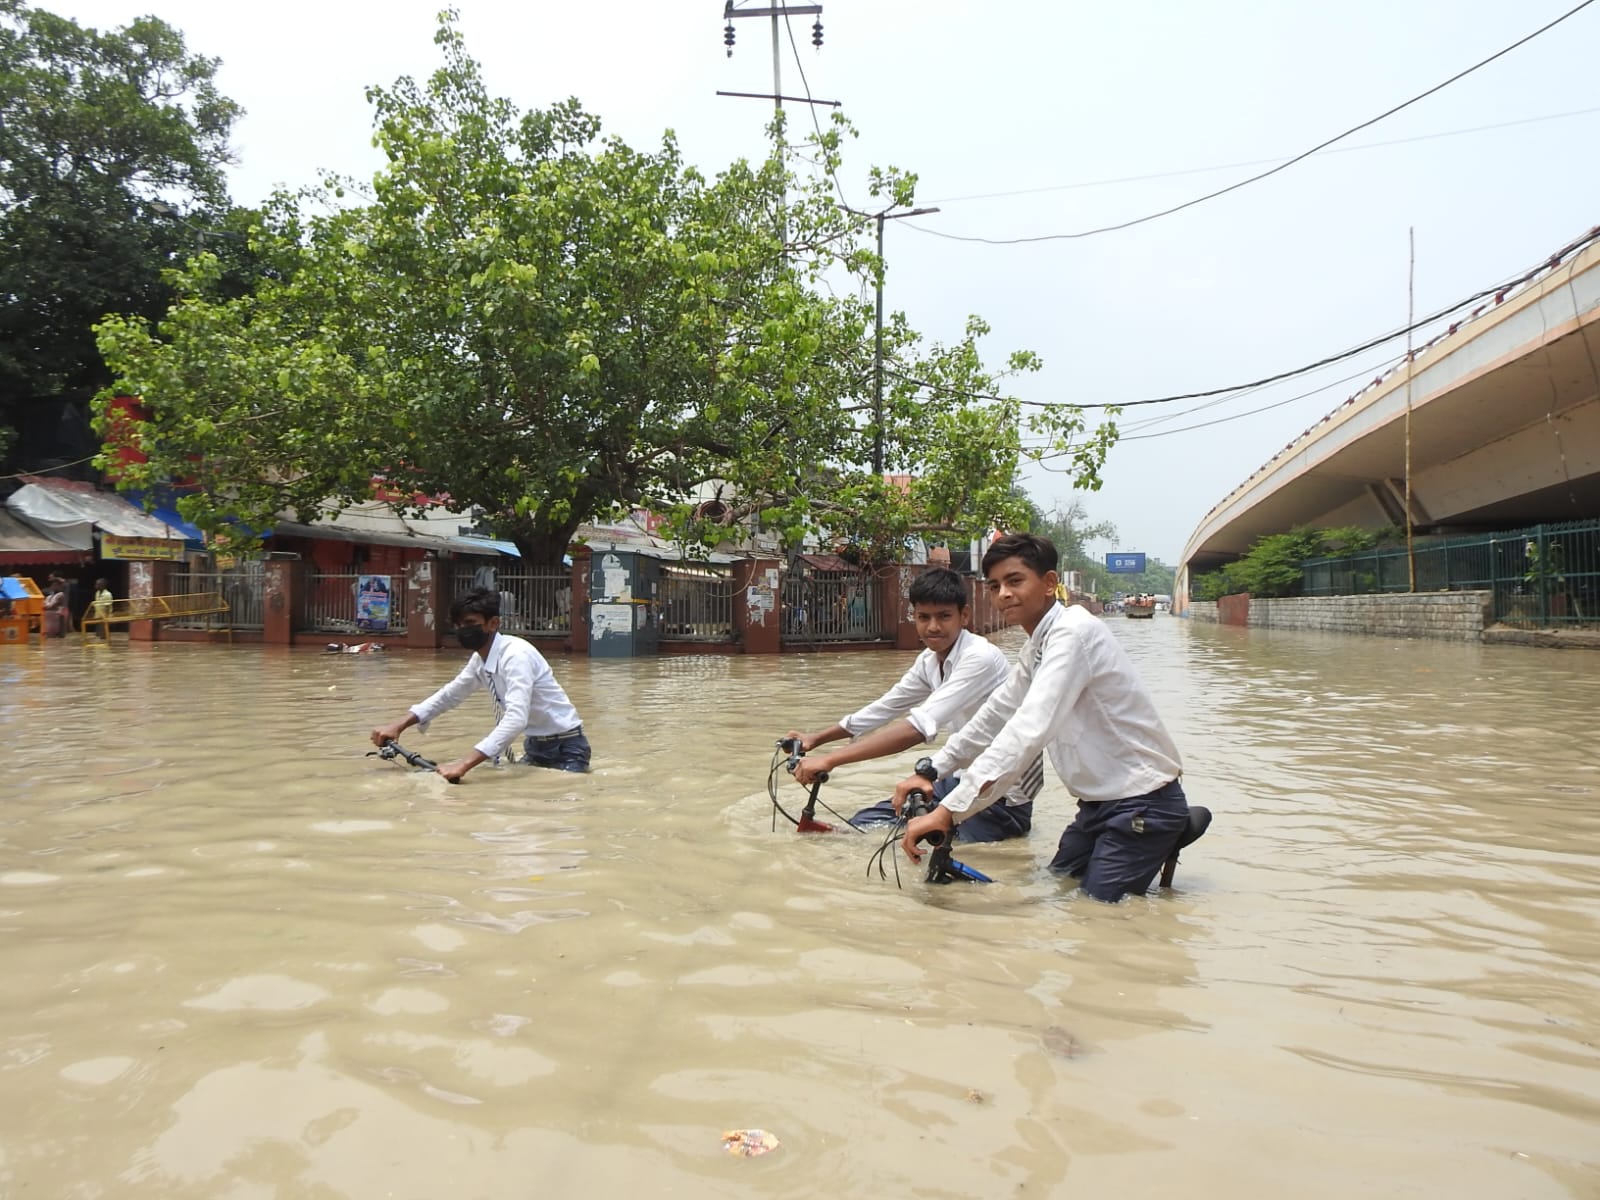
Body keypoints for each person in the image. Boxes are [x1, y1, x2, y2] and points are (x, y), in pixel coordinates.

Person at [892, 533, 1194, 901]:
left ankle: (1160, 844)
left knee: (1095, 915)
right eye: (994, 585)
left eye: (1015, 581)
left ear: (1049, 583)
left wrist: (951, 809)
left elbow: (1027, 730)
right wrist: (932, 769)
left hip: (1142, 804)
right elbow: (996, 714)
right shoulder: (1037, 646)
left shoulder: (1073, 634)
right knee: (1054, 888)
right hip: (1097, 809)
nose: (1003, 593)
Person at [787, 566, 1039, 842]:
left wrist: (831, 760)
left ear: (964, 616)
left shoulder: (980, 657)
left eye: (944, 616)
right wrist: (816, 739)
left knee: (937, 848)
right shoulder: (930, 661)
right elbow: (885, 707)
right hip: (956, 782)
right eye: (924, 617)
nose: (933, 627)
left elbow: (918, 726)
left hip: (1000, 796)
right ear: (914, 617)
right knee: (861, 826)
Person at [371, 588, 590, 782]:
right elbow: (450, 695)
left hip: (566, 748)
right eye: (458, 625)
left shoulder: (516, 655)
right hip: (535, 746)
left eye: (469, 624)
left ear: (493, 623)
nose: (462, 630)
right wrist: (399, 725)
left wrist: (464, 764)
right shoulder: (481, 660)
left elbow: (516, 718)